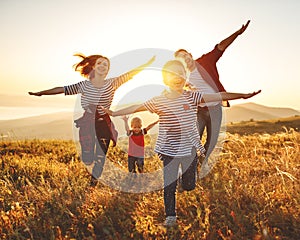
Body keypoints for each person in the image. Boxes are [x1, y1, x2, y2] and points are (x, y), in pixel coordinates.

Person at [102, 60, 261, 226]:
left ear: (185, 77)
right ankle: (170, 216)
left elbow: (219, 95)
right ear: (164, 79)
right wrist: (114, 112)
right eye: (171, 74)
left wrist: (243, 95)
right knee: (169, 185)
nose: (176, 77)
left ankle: (182, 178)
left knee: (189, 185)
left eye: (180, 73)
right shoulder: (159, 100)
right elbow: (137, 107)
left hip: (189, 150)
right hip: (168, 151)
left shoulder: (193, 96)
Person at [28, 53, 155, 186]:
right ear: (93, 66)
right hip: (88, 123)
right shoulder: (84, 85)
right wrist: (42, 93)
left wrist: (147, 64)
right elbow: (62, 89)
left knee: (101, 157)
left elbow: (130, 74)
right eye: (99, 63)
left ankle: (93, 184)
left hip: (103, 123)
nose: (102, 66)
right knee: (88, 158)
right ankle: (89, 163)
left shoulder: (112, 83)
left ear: (107, 70)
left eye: (105, 64)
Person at [174, 20, 251, 168]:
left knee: (212, 142)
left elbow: (220, 47)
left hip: (215, 109)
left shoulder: (205, 61)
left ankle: (202, 161)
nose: (184, 60)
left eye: (185, 56)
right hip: (198, 110)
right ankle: (191, 167)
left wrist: (237, 34)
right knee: (193, 140)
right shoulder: (180, 75)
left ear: (190, 55)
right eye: (180, 59)